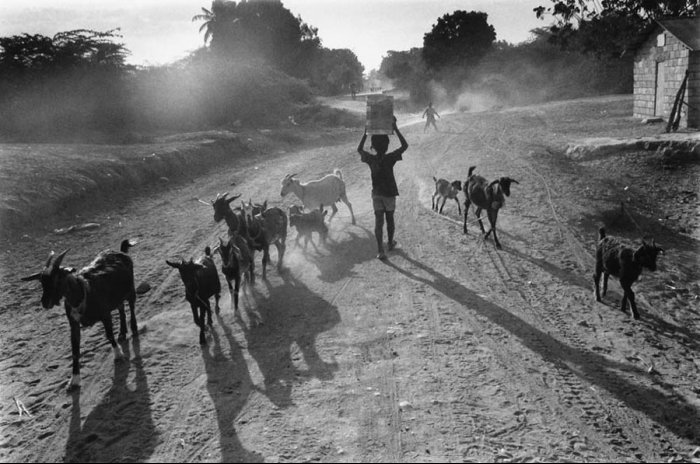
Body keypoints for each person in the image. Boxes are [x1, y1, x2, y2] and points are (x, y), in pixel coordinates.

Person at [356, 116, 409, 260]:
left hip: (377, 194)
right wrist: (395, 128)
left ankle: (380, 250)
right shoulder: (390, 158)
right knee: (390, 219)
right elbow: (405, 146)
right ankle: (390, 243)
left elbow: (359, 149)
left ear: (373, 146)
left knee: (378, 222)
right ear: (387, 146)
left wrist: (365, 133)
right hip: (389, 193)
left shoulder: (371, 159)